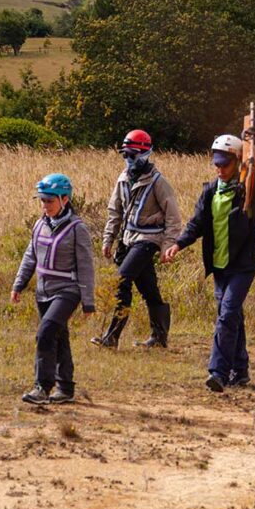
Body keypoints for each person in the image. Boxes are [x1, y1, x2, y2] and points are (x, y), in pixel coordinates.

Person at [164, 132, 255, 392]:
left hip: (243, 265)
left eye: (225, 164)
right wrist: (178, 244)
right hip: (219, 265)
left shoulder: (248, 189)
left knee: (226, 314)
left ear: (237, 162)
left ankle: (218, 373)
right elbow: (197, 223)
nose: (220, 169)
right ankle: (241, 370)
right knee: (231, 315)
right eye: (216, 164)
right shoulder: (211, 191)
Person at [93, 130, 182, 349]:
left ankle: (111, 337)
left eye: (132, 155)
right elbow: (114, 211)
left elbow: (173, 217)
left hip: (148, 239)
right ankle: (159, 338)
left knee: (122, 280)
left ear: (144, 154)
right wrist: (108, 239)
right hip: (127, 239)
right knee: (148, 288)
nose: (128, 159)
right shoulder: (122, 179)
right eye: (125, 154)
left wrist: (168, 246)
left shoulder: (159, 182)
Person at [11, 174, 95, 405]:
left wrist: (88, 301)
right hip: (43, 292)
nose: (45, 205)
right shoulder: (40, 225)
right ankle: (65, 388)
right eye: (42, 200)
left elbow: (86, 266)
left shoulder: (78, 229)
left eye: (50, 200)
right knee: (59, 337)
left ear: (64, 199)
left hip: (68, 290)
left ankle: (42, 387)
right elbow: (30, 257)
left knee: (46, 332)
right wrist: (19, 284)